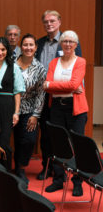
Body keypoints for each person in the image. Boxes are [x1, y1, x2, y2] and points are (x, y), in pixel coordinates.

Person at [35, 10, 82, 180]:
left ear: (59, 22)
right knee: (47, 134)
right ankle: (47, 168)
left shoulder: (69, 41)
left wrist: (53, 86)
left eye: (52, 21)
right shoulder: (38, 43)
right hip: (42, 96)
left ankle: (71, 171)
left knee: (68, 137)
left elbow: (77, 72)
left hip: (65, 96)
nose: (49, 24)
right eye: (46, 21)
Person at [43, 30, 88, 197]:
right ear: (61, 44)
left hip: (75, 109)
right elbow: (46, 85)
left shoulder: (80, 62)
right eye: (65, 41)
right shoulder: (54, 62)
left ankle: (78, 182)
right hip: (56, 107)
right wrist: (66, 86)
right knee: (58, 144)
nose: (68, 44)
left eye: (71, 41)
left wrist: (52, 85)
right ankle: (58, 180)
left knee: (77, 145)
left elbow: (74, 84)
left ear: (76, 45)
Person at [0, 37, 25, 170]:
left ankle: (5, 172)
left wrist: (16, 112)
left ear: (7, 51)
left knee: (4, 139)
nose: (0, 52)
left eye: (3, 49)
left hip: (7, 106)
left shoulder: (14, 67)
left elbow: (18, 92)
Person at [14, 34, 46, 184]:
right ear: (21, 47)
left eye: (31, 45)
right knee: (11, 139)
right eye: (25, 45)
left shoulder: (39, 68)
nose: (28, 48)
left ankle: (21, 167)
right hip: (11, 108)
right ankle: (8, 168)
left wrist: (36, 115)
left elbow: (41, 93)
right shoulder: (11, 63)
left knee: (28, 140)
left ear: (36, 47)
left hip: (29, 109)